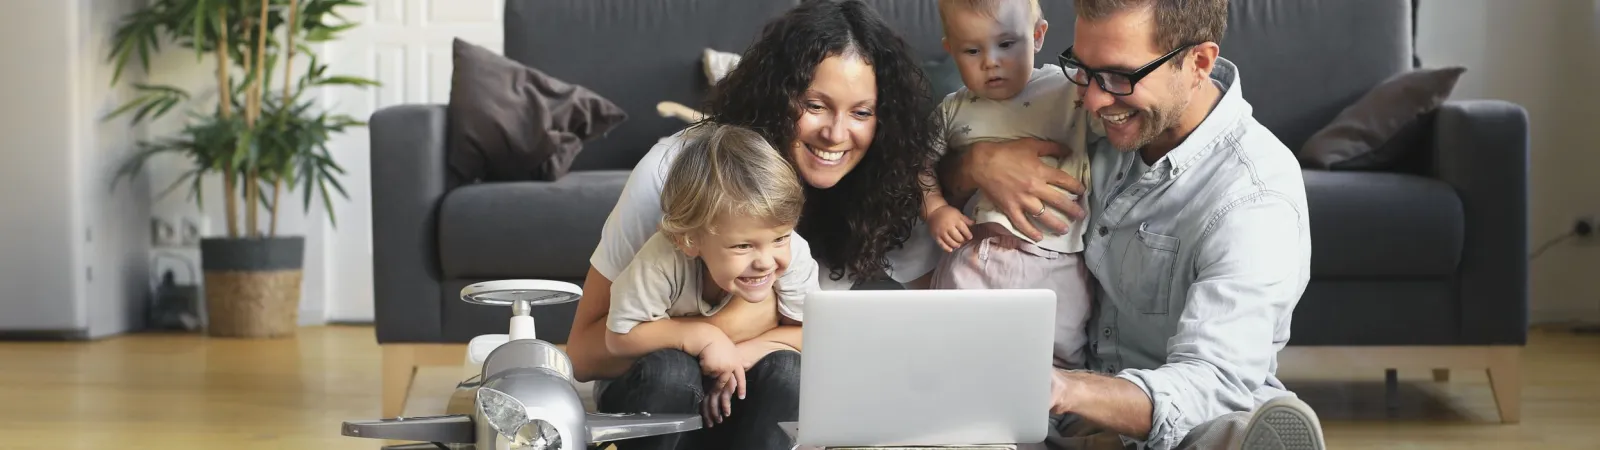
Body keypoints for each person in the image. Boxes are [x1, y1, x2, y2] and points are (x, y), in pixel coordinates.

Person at [939, 0, 1326, 448]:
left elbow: (1214, 378)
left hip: (1166, 414)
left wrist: (1066, 389)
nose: (1092, 99)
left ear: (1198, 62)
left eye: (1121, 77)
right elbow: (930, 172)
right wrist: (975, 164)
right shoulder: (1073, 113)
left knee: (1218, 426)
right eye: (1082, 68)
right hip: (1059, 416)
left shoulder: (1255, 195)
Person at [566, 1, 946, 448]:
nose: (837, 133)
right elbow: (585, 354)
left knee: (791, 373)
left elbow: (893, 355)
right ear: (776, 95)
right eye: (815, 105)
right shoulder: (676, 173)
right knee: (672, 369)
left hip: (763, 396)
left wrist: (751, 343)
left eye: (862, 112)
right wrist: (715, 333)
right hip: (659, 385)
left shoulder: (896, 190)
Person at [603, 123, 819, 445]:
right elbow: (619, 337)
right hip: (654, 404)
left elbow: (812, 333)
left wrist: (740, 353)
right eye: (742, 246)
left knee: (789, 369)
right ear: (689, 240)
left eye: (780, 238)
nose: (765, 260)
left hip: (735, 405)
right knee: (672, 371)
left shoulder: (794, 253)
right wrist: (704, 337)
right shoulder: (663, 259)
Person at [924, 0, 1097, 372]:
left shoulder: (1070, 91)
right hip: (977, 255)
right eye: (972, 50)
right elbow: (917, 166)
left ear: (1037, 36)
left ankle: (1062, 425)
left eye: (1006, 44)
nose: (991, 62)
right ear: (951, 50)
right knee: (952, 353)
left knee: (1060, 362)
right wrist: (936, 207)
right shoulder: (952, 110)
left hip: (1056, 260)